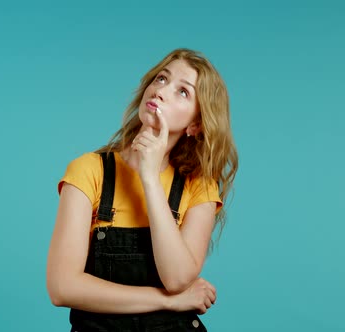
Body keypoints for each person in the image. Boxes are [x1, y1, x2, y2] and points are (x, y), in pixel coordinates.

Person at [46, 48, 238, 331]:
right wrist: (168, 301)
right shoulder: (89, 171)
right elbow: (62, 288)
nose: (161, 91)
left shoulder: (199, 186)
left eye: (182, 92)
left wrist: (149, 176)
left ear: (195, 124)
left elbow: (176, 278)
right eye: (161, 78)